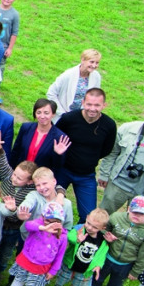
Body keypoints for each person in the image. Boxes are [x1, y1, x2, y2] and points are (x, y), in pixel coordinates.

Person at [54, 88, 116, 223]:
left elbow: (107, 149)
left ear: (104, 105)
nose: (92, 109)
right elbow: (55, 137)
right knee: (51, 206)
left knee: (88, 216)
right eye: (89, 104)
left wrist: (88, 158)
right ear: (83, 102)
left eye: (97, 105)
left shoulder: (109, 125)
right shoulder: (69, 119)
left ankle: (77, 240)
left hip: (86, 175)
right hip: (63, 170)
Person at [3, 203, 68, 286]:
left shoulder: (63, 237)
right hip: (26, 261)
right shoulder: (38, 225)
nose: (50, 224)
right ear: (43, 217)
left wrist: (53, 271)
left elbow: (60, 256)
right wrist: (43, 228)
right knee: (17, 282)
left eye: (55, 221)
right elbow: (28, 225)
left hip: (42, 267)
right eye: (48, 220)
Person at [48, 208, 111, 286]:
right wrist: (77, 239)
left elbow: (102, 254)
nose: (90, 228)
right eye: (88, 223)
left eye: (95, 227)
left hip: (86, 268)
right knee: (63, 277)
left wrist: (98, 266)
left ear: (102, 228)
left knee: (77, 283)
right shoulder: (79, 229)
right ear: (86, 218)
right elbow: (69, 236)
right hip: (70, 262)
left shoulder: (102, 240)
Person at [8, 99, 70, 172]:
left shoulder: (59, 137)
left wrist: (58, 155)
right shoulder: (26, 128)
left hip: (39, 178)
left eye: (46, 113)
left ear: (53, 114)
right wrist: (11, 171)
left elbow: (58, 166)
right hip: (21, 174)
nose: (42, 116)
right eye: (39, 112)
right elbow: (16, 151)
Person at [45, 50, 102, 122]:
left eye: (97, 63)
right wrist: (62, 113)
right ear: (83, 60)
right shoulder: (68, 74)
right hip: (62, 116)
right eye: (91, 62)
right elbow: (51, 93)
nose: (94, 65)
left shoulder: (96, 76)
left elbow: (95, 97)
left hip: (81, 117)